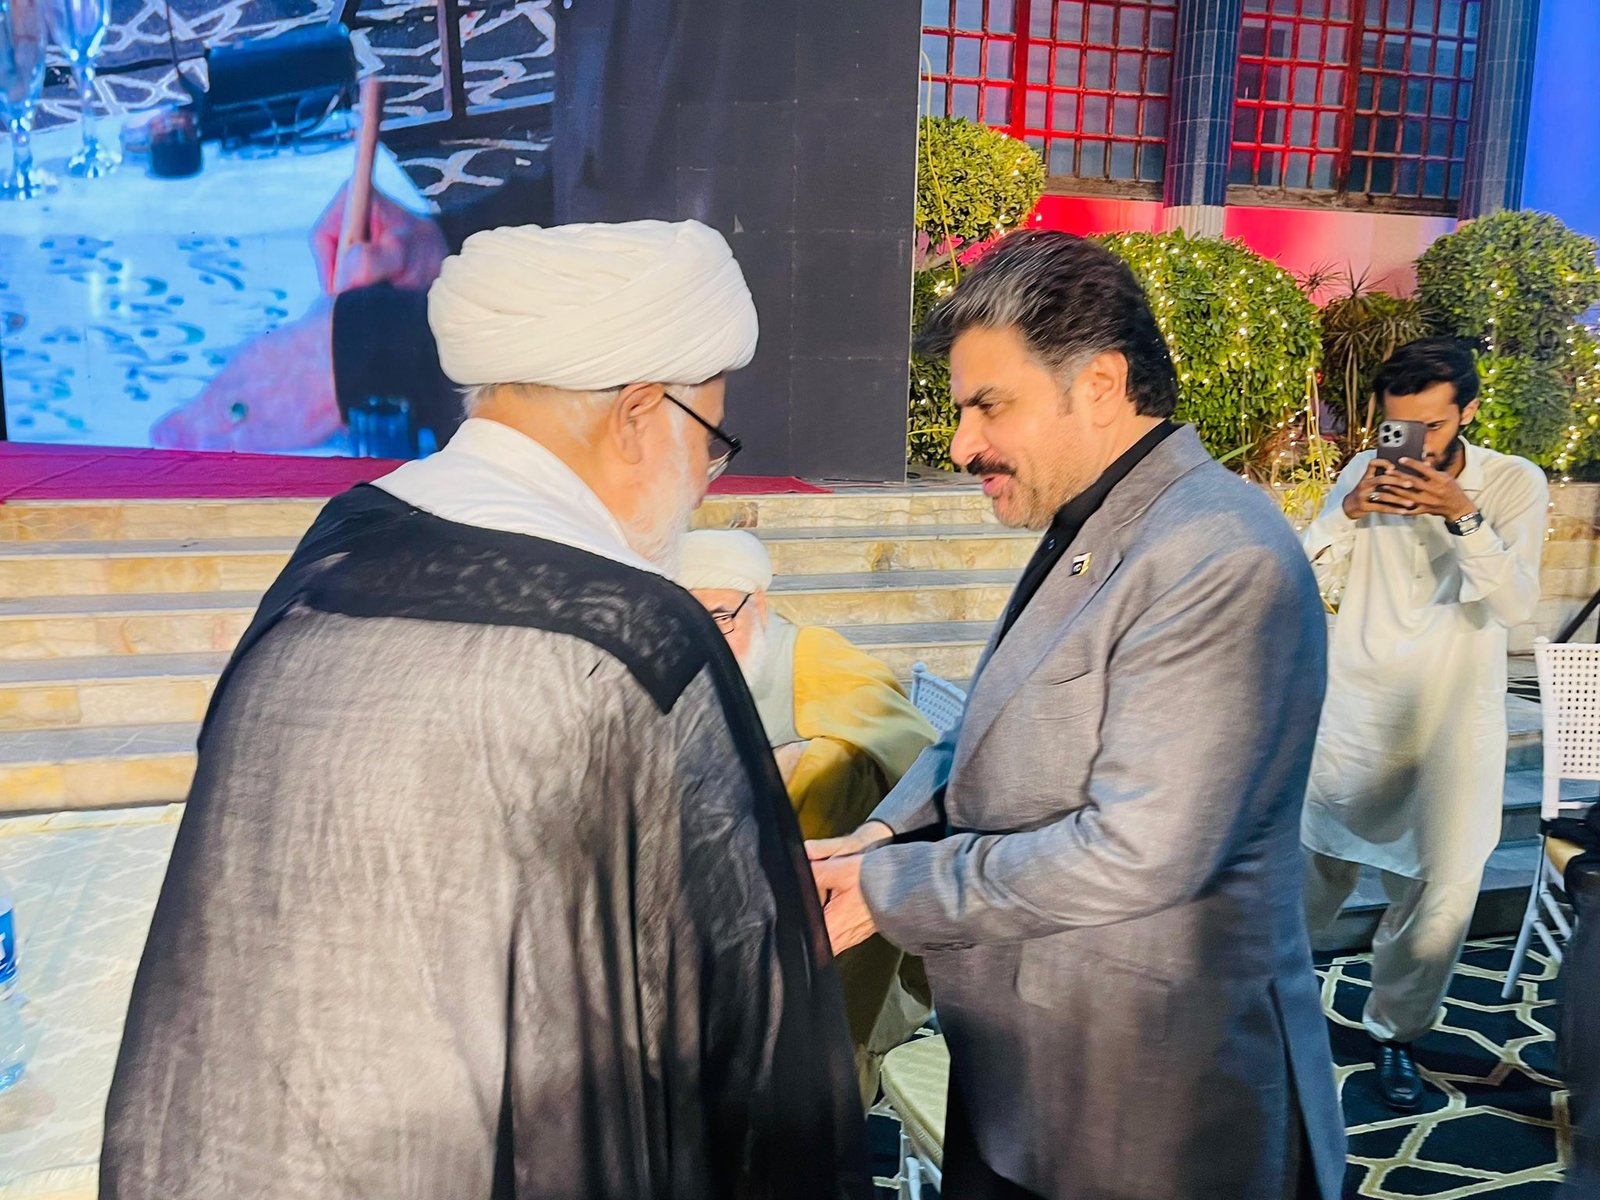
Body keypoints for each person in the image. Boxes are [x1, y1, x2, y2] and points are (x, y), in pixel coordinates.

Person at [101, 219, 872, 1200]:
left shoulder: (337, 551)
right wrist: (771, 930)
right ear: (640, 414)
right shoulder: (636, 637)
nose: (704, 480)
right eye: (710, 440)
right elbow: (743, 1041)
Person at [806, 231, 1345, 1199]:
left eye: (988, 406)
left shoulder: (1217, 554)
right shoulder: (1106, 520)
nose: (961, 445)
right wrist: (880, 835)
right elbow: (991, 717)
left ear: (1099, 384)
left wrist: (890, 886)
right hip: (1036, 1072)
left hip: (1151, 1104)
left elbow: (1138, 853)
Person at [1299, 337, 1549, 1112]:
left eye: (1432, 426)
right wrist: (1346, 511)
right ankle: (1264, 999)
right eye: (1398, 427)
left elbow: (1514, 606)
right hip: (1355, 711)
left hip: (1451, 723)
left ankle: (1394, 1034)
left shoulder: (1512, 482)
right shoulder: (1361, 472)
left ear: (1468, 411)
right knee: (1307, 875)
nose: (1414, 444)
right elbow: (1305, 571)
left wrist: (1461, 516)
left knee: (1439, 893)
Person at [675, 529, 937, 1102]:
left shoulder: (815, 657)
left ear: (759, 604)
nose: (705, 640)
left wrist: (795, 763)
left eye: (719, 618)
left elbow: (912, 753)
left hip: (817, 922)